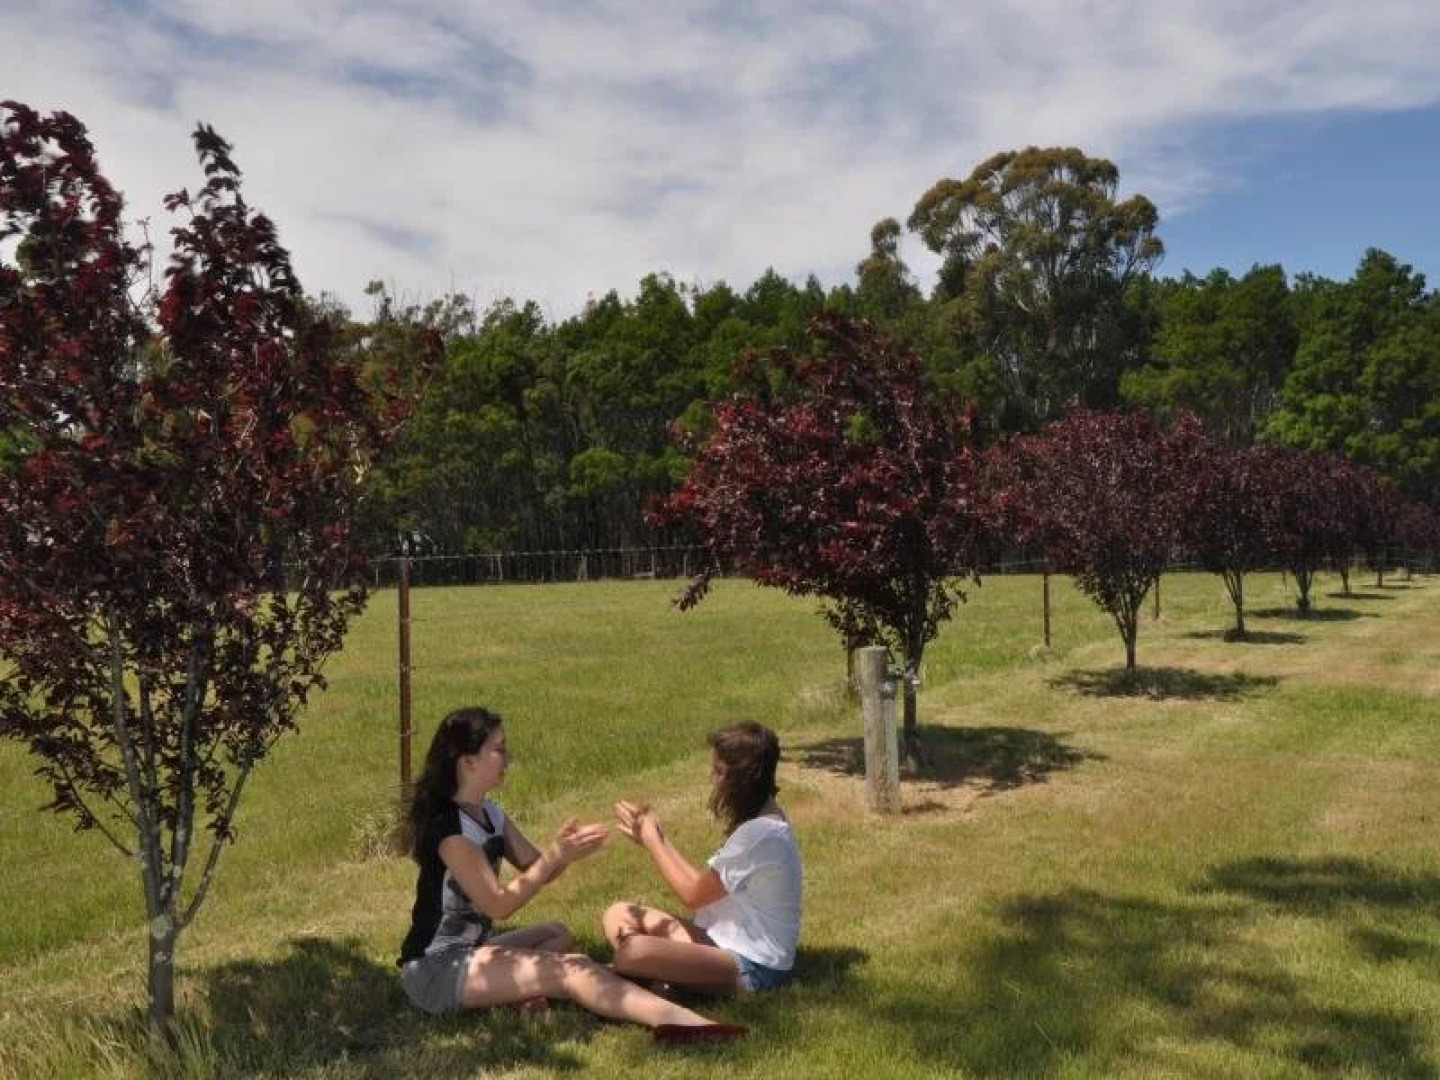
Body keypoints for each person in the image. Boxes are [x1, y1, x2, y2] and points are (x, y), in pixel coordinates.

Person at [398, 706, 746, 1044]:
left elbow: (536, 869)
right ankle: (684, 1024)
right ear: (468, 762)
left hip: (472, 949)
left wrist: (566, 851)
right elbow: (498, 906)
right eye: (499, 750)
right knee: (572, 970)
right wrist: (555, 857)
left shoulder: (488, 811)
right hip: (436, 971)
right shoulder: (453, 833)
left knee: (556, 934)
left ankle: (519, 994)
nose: (508, 758)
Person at [605, 721, 802, 996]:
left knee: (632, 951)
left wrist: (653, 843)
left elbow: (692, 896)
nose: (712, 779)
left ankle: (652, 977)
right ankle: (661, 978)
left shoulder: (760, 834)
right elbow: (701, 886)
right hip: (717, 942)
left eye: (719, 772)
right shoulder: (761, 822)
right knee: (618, 913)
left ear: (742, 779)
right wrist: (658, 839)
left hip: (753, 966)